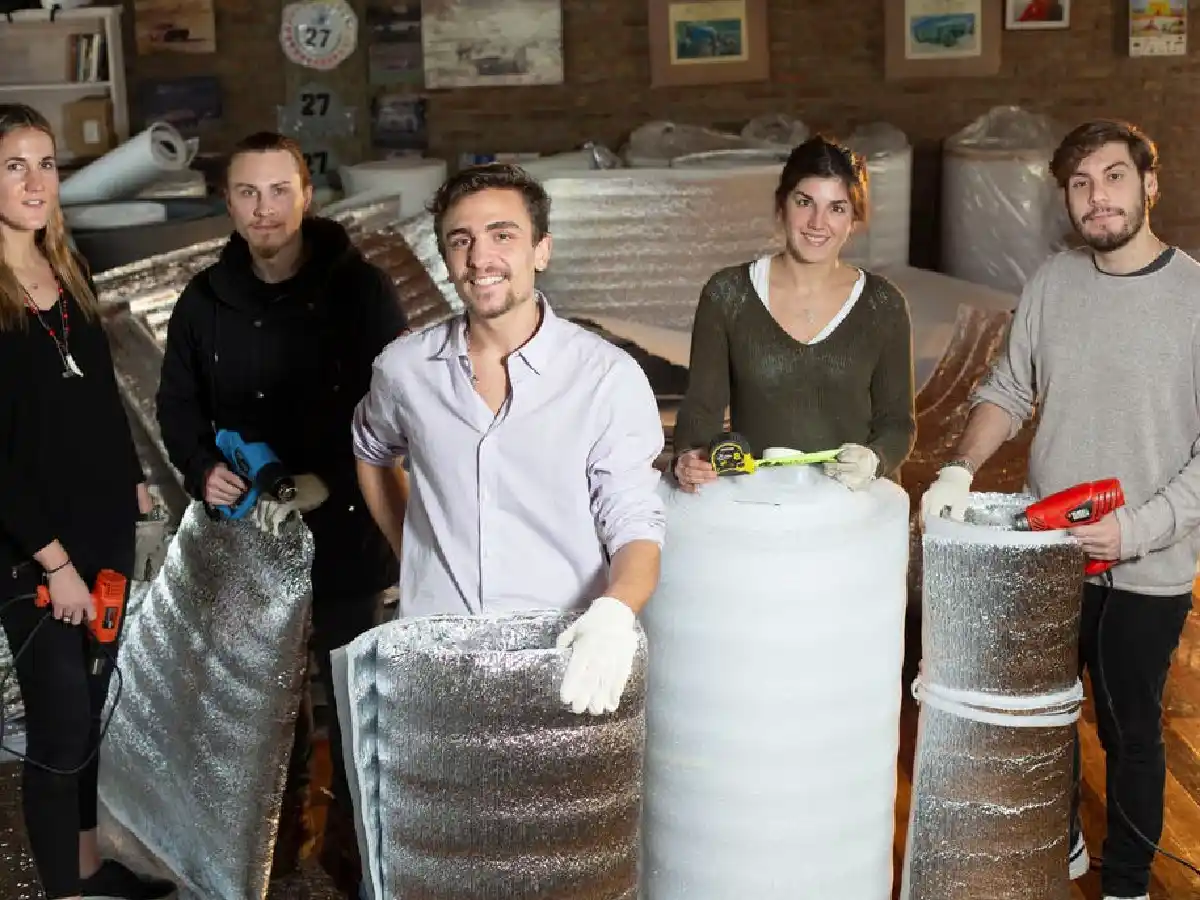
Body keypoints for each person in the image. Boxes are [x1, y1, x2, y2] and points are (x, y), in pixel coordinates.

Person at [920, 119, 1199, 900]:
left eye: (1113, 177)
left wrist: (1135, 529)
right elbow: (1009, 388)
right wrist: (958, 466)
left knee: (1131, 731)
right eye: (1080, 184)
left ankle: (1129, 882)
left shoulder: (1196, 298)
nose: (1097, 197)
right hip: (1044, 552)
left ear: (1149, 184)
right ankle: (1064, 842)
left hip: (1147, 567)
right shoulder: (1052, 281)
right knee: (1045, 717)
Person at [154, 131, 407, 896]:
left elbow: (395, 406)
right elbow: (178, 406)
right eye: (247, 193)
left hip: (347, 535)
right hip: (251, 545)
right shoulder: (204, 301)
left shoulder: (360, 290)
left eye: (279, 190)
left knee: (357, 702)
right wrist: (203, 468)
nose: (264, 209)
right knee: (263, 712)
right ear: (228, 203)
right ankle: (274, 859)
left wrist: (336, 478)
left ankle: (356, 858)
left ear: (307, 194)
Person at [352, 162, 664, 717]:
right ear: (445, 258)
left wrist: (616, 611)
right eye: (461, 241)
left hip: (562, 657)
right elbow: (372, 450)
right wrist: (415, 556)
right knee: (434, 804)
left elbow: (635, 521)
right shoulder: (405, 370)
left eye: (503, 235)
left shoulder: (605, 378)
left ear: (541, 250)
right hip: (435, 657)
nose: (480, 258)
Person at [0, 104, 176, 900]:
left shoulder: (68, 268)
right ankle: (62, 896)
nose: (38, 183)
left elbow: (98, 394)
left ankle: (87, 870)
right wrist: (57, 565)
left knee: (94, 715)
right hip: (35, 548)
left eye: (47, 164)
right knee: (61, 726)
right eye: (15, 166)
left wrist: (132, 474)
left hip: (101, 525)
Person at [671, 135, 916, 492]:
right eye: (805, 202)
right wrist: (691, 458)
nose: (818, 222)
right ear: (781, 205)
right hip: (760, 508)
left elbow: (897, 423)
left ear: (855, 219)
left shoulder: (883, 305)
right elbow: (701, 410)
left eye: (837, 207)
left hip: (855, 512)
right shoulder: (728, 295)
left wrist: (876, 459)